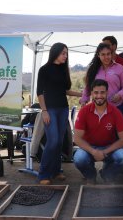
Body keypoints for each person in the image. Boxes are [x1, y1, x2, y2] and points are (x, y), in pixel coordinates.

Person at [36, 42, 81, 185]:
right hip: (50, 110)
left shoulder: (63, 70)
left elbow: (65, 91)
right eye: (63, 53)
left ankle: (56, 171)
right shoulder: (44, 69)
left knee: (59, 142)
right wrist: (44, 111)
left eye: (66, 53)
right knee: (53, 141)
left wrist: (82, 94)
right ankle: (43, 174)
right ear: (55, 52)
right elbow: (39, 93)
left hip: (63, 109)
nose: (65, 56)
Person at [74, 79, 123, 184]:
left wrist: (104, 152)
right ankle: (91, 176)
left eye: (102, 92)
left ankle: (107, 174)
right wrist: (93, 151)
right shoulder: (84, 111)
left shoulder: (116, 112)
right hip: (89, 147)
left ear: (107, 93)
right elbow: (77, 138)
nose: (99, 95)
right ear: (91, 93)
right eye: (96, 92)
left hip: (109, 147)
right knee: (79, 159)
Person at [79, 43, 123, 117]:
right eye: (103, 54)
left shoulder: (119, 68)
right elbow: (88, 87)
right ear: (98, 55)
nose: (106, 57)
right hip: (97, 108)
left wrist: (119, 95)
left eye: (108, 54)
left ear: (111, 54)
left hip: (116, 107)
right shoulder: (93, 70)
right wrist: (84, 100)